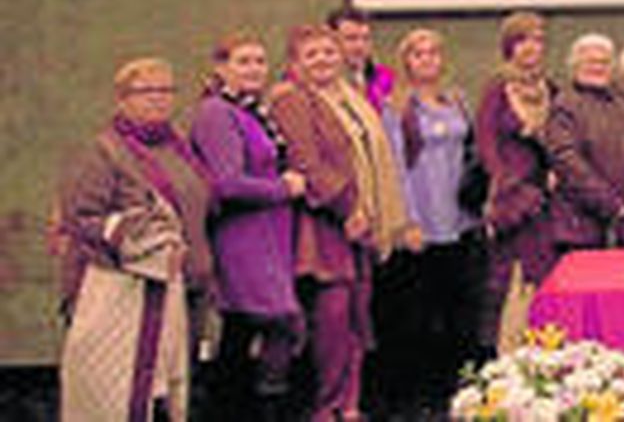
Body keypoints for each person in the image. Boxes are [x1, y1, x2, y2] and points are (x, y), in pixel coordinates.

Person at [58, 58, 215, 421]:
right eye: (146, 91)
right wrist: (139, 240)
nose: (159, 98)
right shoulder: (104, 151)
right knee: (127, 392)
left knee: (171, 387)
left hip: (185, 282)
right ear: (122, 98)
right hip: (128, 294)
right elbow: (81, 218)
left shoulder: (179, 146)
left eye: (166, 90)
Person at [272, 24, 409, 421]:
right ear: (295, 62)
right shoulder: (292, 100)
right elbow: (307, 162)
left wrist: (367, 213)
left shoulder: (350, 98)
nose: (322, 60)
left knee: (356, 319)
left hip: (361, 224)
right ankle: (325, 406)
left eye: (328, 52)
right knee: (330, 322)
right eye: (311, 54)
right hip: (326, 226)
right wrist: (348, 208)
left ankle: (350, 404)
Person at [188, 34, 305, 421]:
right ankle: (232, 409)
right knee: (263, 320)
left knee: (246, 326)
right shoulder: (216, 113)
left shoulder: (253, 109)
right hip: (241, 235)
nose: (254, 68)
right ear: (221, 68)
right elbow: (227, 183)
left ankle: (241, 407)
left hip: (270, 232)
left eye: (259, 61)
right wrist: (283, 188)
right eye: (243, 61)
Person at [375, 28, 483, 414]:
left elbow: (472, 154)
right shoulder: (396, 108)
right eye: (418, 53)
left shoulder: (456, 102)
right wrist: (406, 221)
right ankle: (418, 397)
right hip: (422, 223)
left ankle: (455, 392)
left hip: (459, 220)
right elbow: (395, 168)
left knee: (457, 312)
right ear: (406, 61)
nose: (427, 60)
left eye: (434, 52)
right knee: (418, 316)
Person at [474, 12, 560, 353]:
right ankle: (505, 351)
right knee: (507, 278)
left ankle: (540, 349)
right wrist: (508, 183)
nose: (531, 48)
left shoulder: (549, 87)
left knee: (541, 275)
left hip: (544, 201)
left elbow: (558, 138)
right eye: (523, 40)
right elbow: (485, 143)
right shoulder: (498, 87)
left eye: (538, 40)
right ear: (509, 45)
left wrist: (554, 170)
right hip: (511, 200)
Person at [544, 34, 624, 250]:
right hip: (583, 230)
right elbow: (567, 162)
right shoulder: (565, 105)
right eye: (591, 61)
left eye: (604, 61)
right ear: (574, 65)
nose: (598, 67)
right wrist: (610, 204)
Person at [327, 6, 395, 113]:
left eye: (366, 39)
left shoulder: (384, 77)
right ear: (331, 40)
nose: (360, 46)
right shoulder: (322, 80)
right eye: (351, 38)